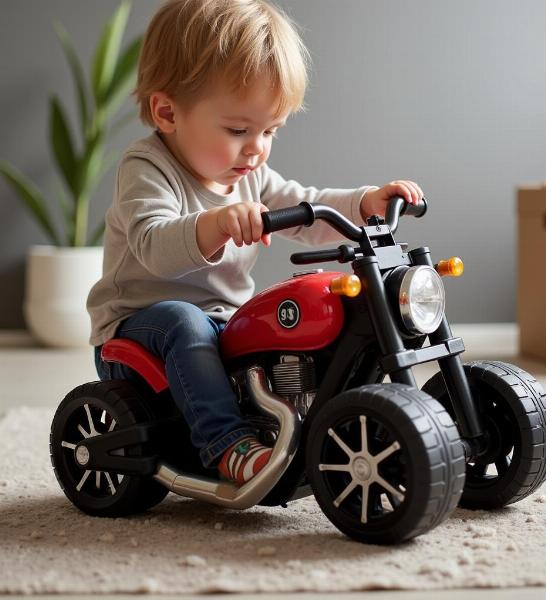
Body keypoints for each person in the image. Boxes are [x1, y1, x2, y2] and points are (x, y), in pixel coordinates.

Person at [87, 0, 424, 486]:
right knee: (185, 320)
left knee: (294, 314)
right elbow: (152, 245)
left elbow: (309, 207)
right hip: (139, 326)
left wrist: (366, 201)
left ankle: (305, 421)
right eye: (238, 130)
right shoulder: (146, 168)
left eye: (270, 130)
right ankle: (227, 444)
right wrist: (217, 223)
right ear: (167, 112)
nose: (256, 147)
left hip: (222, 322)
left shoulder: (251, 173)